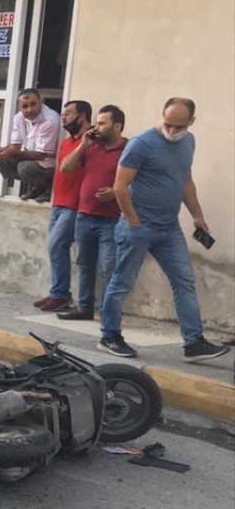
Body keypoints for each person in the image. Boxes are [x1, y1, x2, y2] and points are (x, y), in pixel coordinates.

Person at [97, 97, 228, 362]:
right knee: (121, 282)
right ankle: (109, 336)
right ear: (162, 117)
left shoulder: (188, 142)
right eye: (168, 124)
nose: (172, 132)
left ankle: (194, 343)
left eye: (179, 127)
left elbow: (186, 181)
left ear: (191, 122)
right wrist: (134, 221)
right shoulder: (141, 144)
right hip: (139, 227)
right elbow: (120, 186)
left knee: (184, 281)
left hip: (169, 229)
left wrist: (197, 215)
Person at [57, 105, 127, 322]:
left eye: (102, 123)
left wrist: (116, 192)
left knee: (108, 268)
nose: (96, 127)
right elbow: (65, 168)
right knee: (85, 264)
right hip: (84, 216)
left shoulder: (129, 149)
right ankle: (84, 307)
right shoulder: (92, 146)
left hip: (111, 220)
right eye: (96, 123)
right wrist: (83, 144)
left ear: (117, 126)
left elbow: (141, 181)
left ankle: (109, 313)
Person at [28, 100, 93, 313]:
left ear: (82, 116)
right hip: (59, 202)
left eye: (68, 114)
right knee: (57, 248)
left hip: (75, 205)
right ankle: (59, 292)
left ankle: (61, 295)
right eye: (63, 114)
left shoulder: (91, 141)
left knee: (57, 246)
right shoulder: (66, 142)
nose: (63, 117)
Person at [0, 89, 62, 201]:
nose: (29, 110)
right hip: (34, 160)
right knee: (3, 164)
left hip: (49, 164)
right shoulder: (19, 118)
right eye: (25, 106)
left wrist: (9, 153)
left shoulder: (51, 119)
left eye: (33, 104)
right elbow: (14, 146)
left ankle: (50, 188)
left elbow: (41, 155)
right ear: (20, 107)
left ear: (41, 101)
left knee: (25, 168)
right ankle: (38, 186)